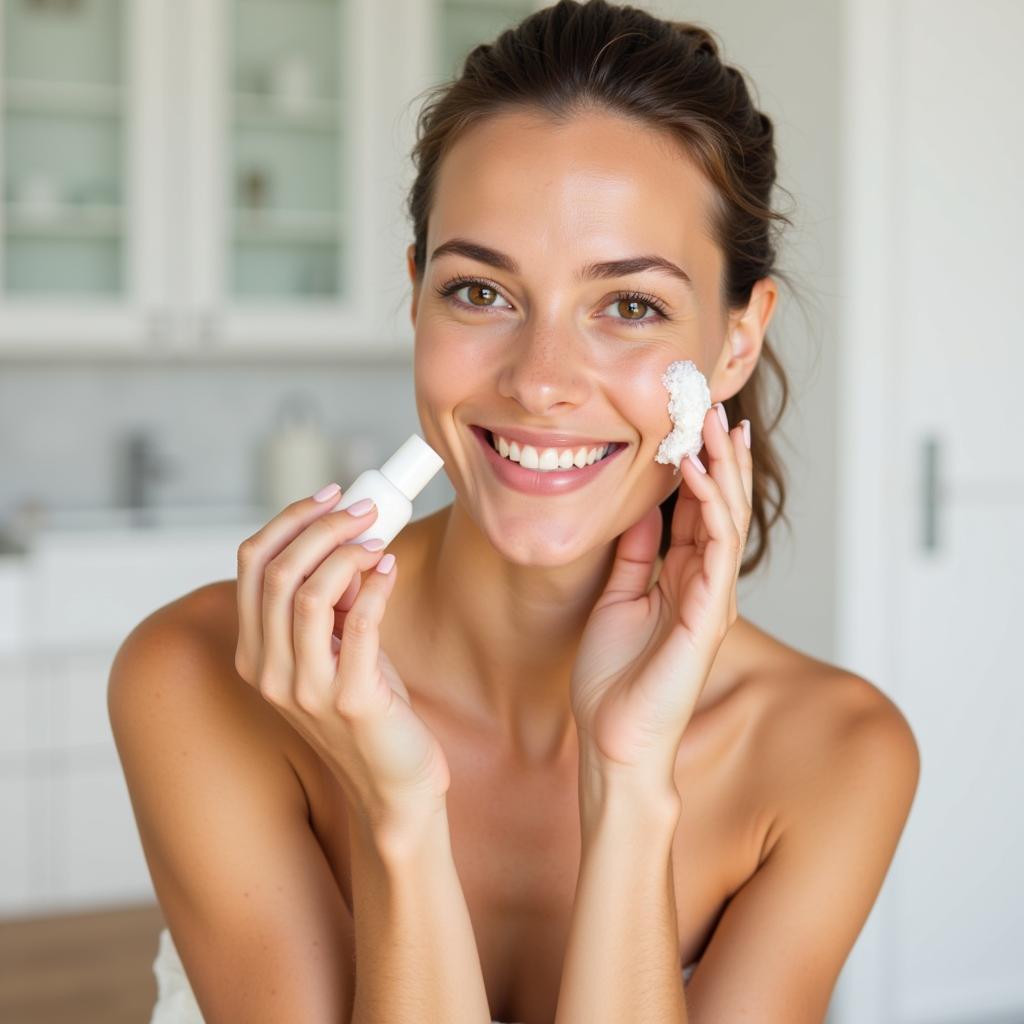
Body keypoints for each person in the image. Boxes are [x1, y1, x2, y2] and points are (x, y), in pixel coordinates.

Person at [109, 2, 920, 1022]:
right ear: (414, 297)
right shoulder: (201, 674)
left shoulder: (836, 755)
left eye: (629, 306)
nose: (540, 382)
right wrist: (397, 812)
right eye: (480, 292)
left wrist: (627, 787)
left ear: (735, 341)